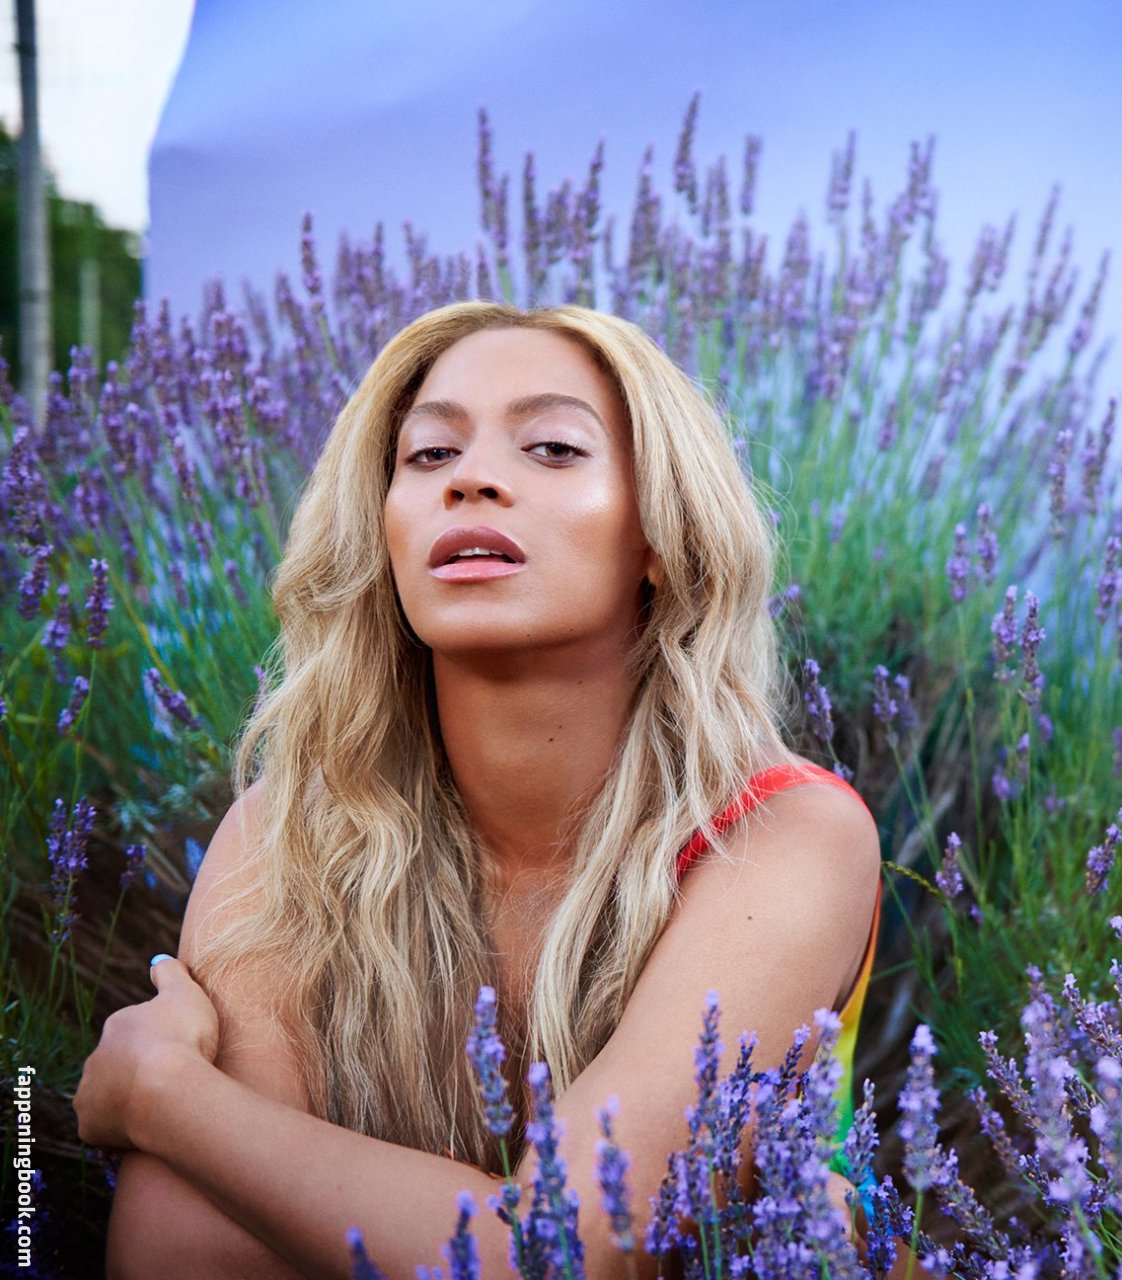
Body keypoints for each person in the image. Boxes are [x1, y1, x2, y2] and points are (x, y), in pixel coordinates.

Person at [73, 301, 895, 1278]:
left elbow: (556, 1252)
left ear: (659, 535)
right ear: (382, 530)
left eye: (552, 447)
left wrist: (164, 1096)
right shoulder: (283, 837)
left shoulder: (780, 835)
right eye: (429, 455)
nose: (471, 478)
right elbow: (192, 1242)